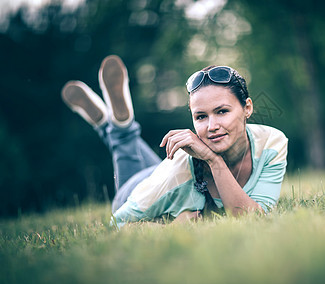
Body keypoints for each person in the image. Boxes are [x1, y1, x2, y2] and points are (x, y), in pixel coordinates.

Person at [62, 55, 288, 227]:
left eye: (222, 111)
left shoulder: (271, 144)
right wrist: (169, 228)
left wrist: (214, 160)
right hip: (139, 188)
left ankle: (111, 125)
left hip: (160, 173)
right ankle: (117, 127)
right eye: (201, 116)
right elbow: (118, 223)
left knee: (125, 138)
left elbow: (253, 218)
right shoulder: (177, 173)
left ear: (247, 107)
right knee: (125, 142)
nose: (211, 126)